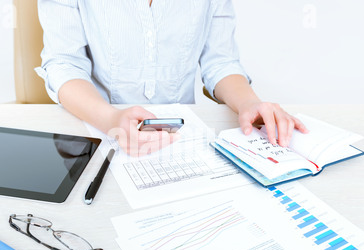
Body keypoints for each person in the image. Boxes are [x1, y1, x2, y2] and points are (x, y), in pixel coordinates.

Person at [36, 0, 308, 157]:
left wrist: (249, 103)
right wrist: (110, 120)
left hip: (181, 139)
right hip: (96, 131)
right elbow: (64, 63)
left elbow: (220, 61)